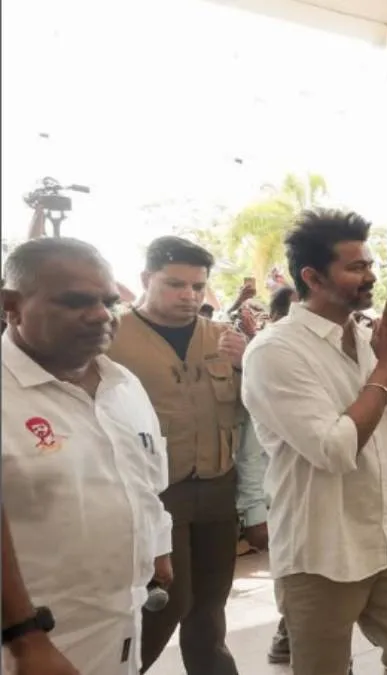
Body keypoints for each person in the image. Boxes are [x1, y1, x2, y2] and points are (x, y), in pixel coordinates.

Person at [241, 209, 387, 675]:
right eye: (356, 267)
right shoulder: (275, 351)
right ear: (313, 277)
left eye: (370, 264)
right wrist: (386, 366)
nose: (371, 276)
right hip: (323, 549)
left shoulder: (372, 339)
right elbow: (334, 449)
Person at [1, 238, 172, 675]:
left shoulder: (123, 385)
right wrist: (23, 637)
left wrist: (157, 547)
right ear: (12, 306)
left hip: (120, 626)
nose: (101, 315)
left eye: (109, 301)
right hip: (29, 643)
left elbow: (147, 479)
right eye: (76, 301)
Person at [105, 236, 250, 675]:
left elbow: (254, 413)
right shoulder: (111, 339)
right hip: (154, 494)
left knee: (210, 604)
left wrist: (249, 365)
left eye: (198, 286)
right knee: (166, 602)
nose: (189, 295)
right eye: (175, 284)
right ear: (146, 279)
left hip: (217, 487)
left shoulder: (224, 338)